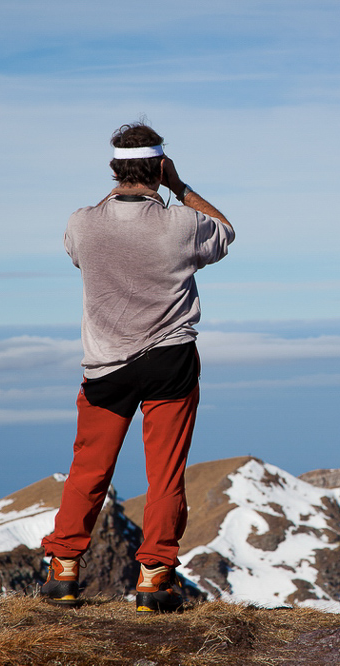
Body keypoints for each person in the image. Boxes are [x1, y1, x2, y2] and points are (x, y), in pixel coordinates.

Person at [40, 123, 234, 613]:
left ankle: (63, 573)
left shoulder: (82, 223)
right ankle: (154, 582)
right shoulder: (182, 223)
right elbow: (226, 231)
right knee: (165, 475)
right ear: (159, 166)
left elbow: (78, 258)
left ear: (113, 167)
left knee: (89, 468)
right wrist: (180, 187)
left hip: (106, 365)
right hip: (170, 359)